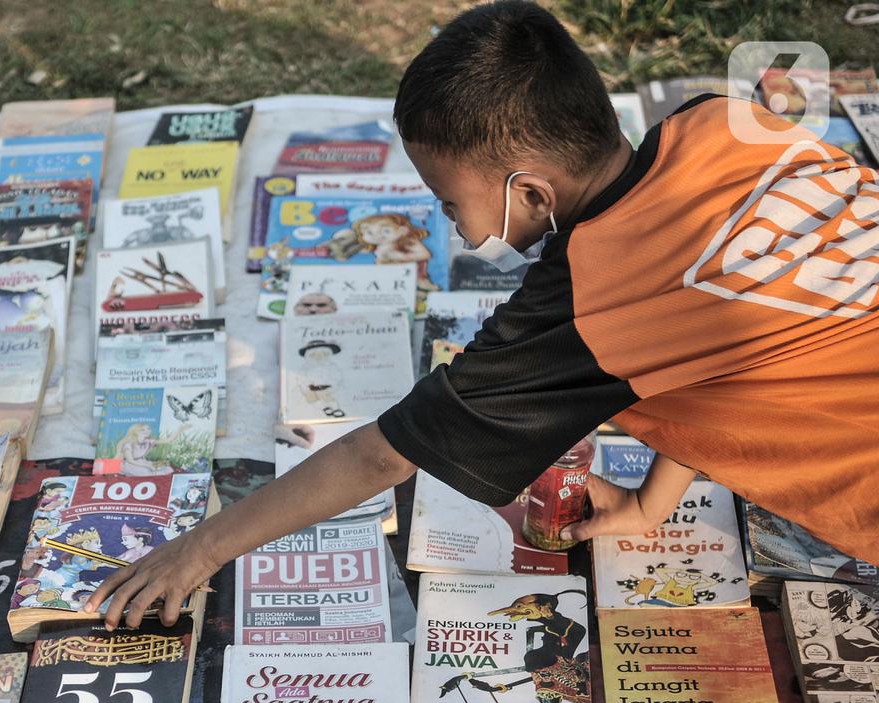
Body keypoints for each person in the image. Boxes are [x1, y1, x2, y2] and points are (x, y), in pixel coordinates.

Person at [86, 0, 879, 631]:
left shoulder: (590, 301)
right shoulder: (719, 123)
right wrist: (647, 503)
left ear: (531, 192)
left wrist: (197, 552)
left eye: (448, 203)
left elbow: (380, 458)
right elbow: (716, 340)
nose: (455, 230)